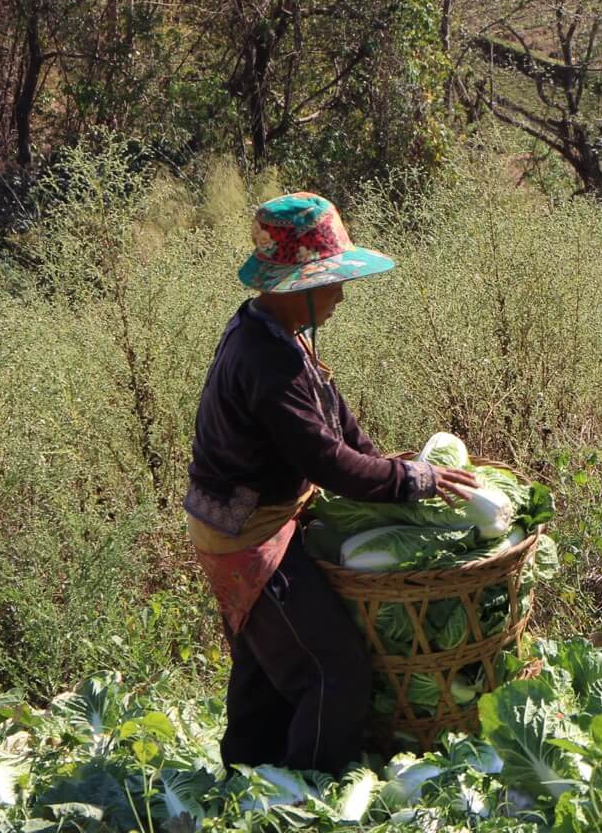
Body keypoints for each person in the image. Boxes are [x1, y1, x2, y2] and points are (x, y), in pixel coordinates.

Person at [184, 192, 477, 774]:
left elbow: (343, 434)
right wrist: (414, 480)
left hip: (252, 521)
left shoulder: (273, 333)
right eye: (333, 281)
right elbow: (331, 464)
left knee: (267, 662)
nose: (342, 293)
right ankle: (309, 795)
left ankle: (245, 776)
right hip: (250, 535)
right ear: (298, 284)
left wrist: (395, 476)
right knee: (332, 667)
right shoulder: (270, 364)